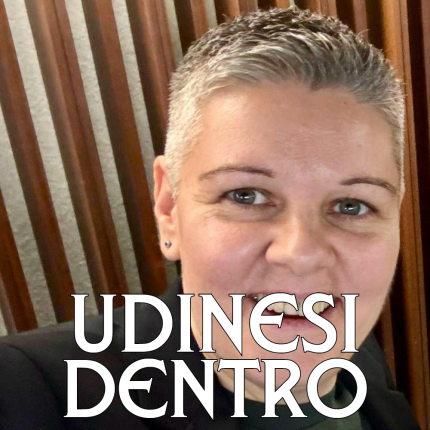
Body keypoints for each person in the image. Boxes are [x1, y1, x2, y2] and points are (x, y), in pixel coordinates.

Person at [0, 6, 422, 430]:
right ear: (169, 208)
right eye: (245, 196)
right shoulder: (25, 389)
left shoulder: (352, 344)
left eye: (351, 205)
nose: (301, 254)